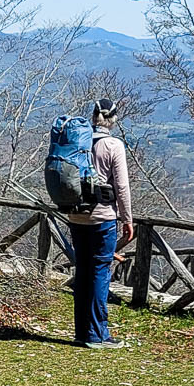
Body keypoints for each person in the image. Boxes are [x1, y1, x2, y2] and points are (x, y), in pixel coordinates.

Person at [66, 98, 134, 348]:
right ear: (113, 119)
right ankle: (97, 335)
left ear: (94, 117)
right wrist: (127, 218)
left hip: (75, 215)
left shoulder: (79, 142)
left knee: (83, 271)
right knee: (100, 272)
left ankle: (81, 332)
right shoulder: (113, 145)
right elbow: (122, 186)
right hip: (102, 217)